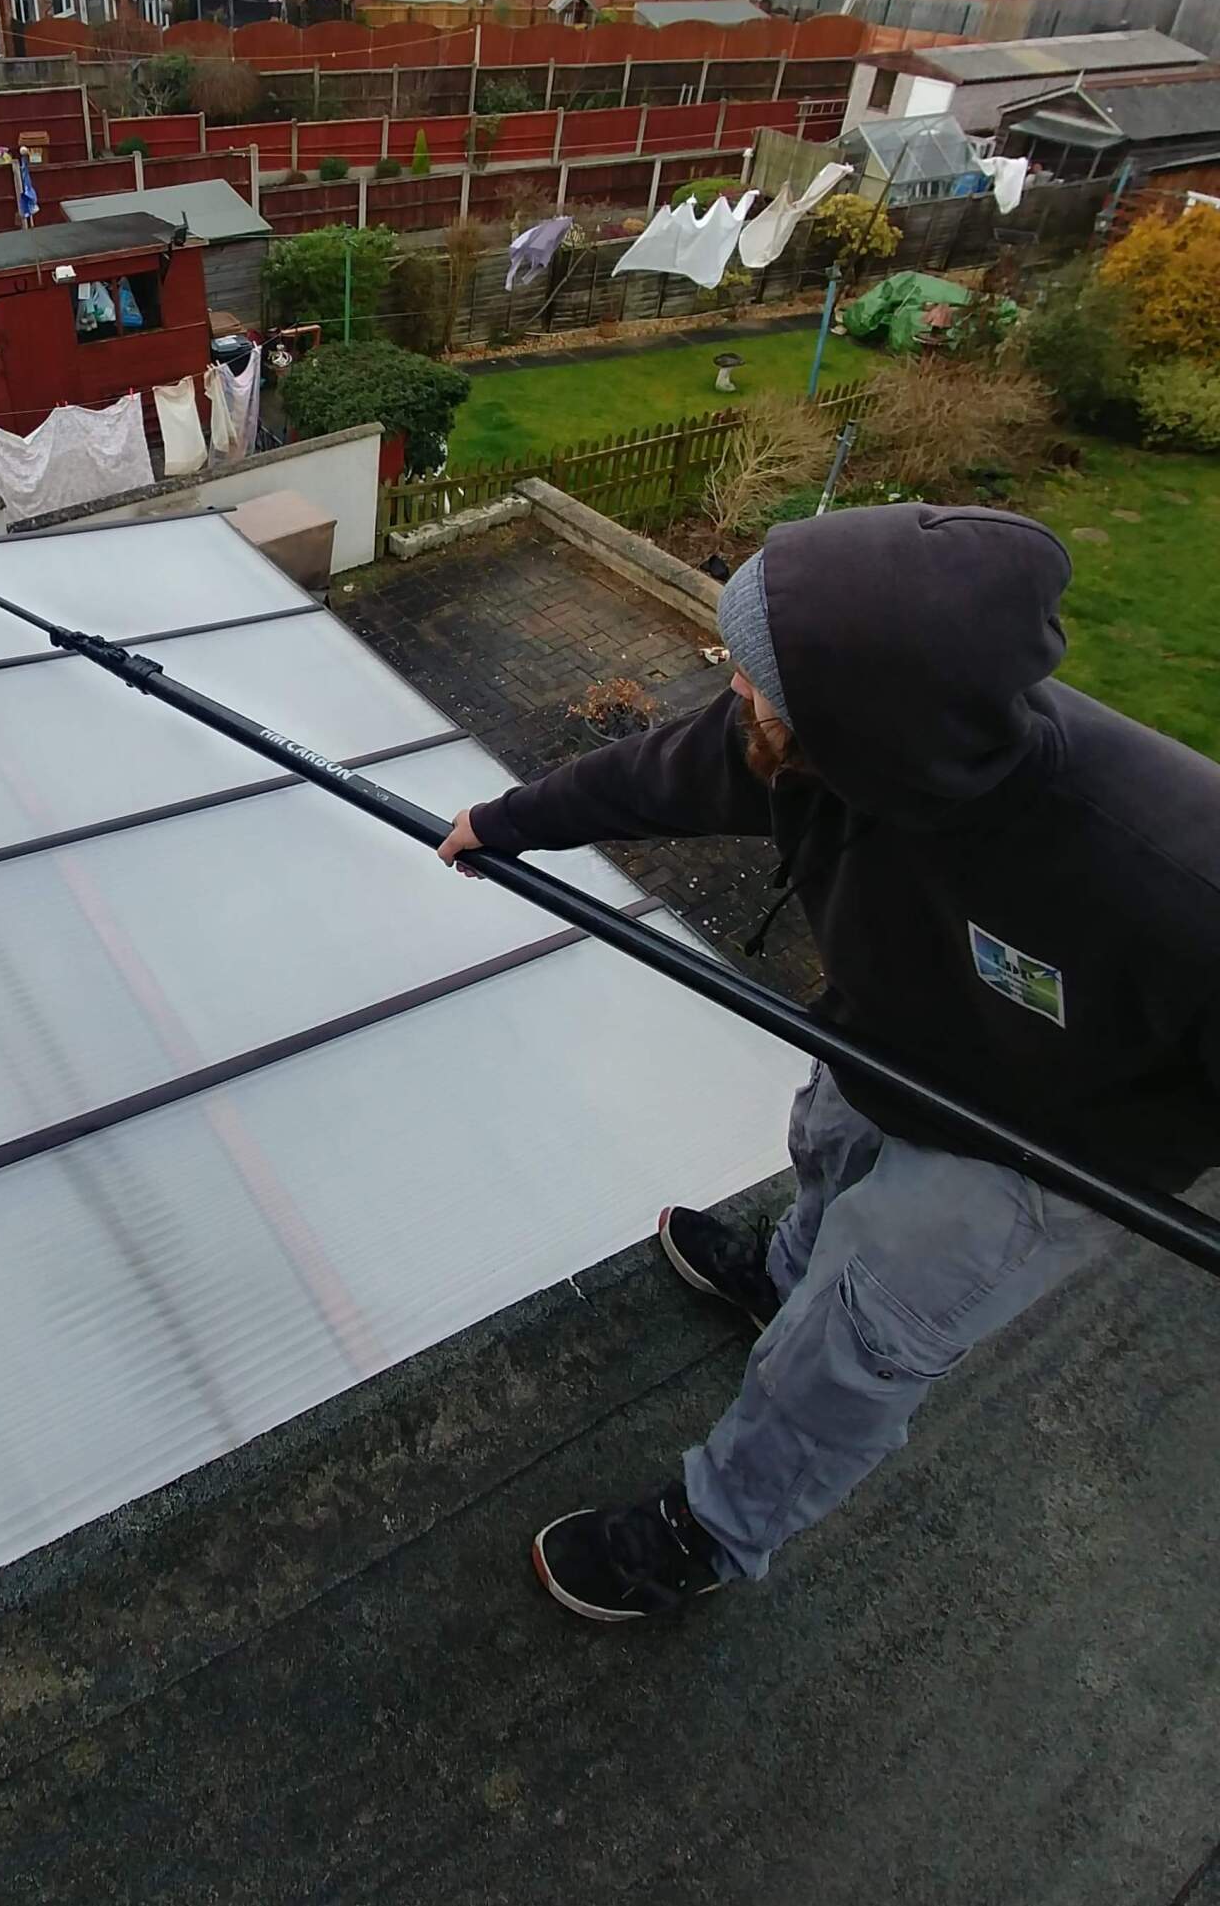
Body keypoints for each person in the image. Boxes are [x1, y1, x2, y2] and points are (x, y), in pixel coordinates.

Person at [437, 502, 1220, 1622]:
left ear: (867, 729)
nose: (735, 694)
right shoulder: (805, 744)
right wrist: (504, 822)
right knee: (824, 1147)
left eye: (758, 682)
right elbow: (655, 774)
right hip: (888, 1037)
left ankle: (715, 1528)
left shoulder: (1172, 876)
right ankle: (783, 1277)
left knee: (848, 1348)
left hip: (1048, 1150)